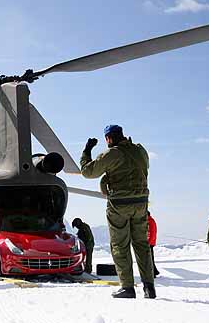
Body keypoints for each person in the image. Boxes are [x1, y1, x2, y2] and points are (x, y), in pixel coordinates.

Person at [80, 125, 156, 299]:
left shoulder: (112, 154)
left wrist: (87, 151)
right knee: (142, 245)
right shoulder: (140, 151)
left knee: (120, 246)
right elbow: (142, 170)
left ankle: (128, 287)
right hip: (141, 204)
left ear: (108, 138)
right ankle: (149, 287)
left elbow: (88, 172)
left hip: (119, 205)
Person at [147, 212, 160, 277]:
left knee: (150, 259)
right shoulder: (149, 221)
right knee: (150, 258)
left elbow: (152, 233)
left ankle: (153, 273)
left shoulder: (150, 221)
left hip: (149, 243)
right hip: (150, 242)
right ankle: (154, 272)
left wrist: (148, 242)